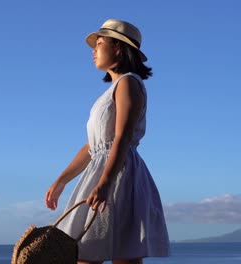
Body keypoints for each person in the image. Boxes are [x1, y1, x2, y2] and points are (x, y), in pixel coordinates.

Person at [45, 19, 170, 264]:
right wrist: (62, 179)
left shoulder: (129, 83)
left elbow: (122, 138)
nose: (93, 50)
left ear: (118, 48)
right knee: (84, 251)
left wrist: (105, 183)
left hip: (119, 175)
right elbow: (93, 146)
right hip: (103, 172)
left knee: (114, 255)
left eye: (100, 43)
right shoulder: (111, 90)